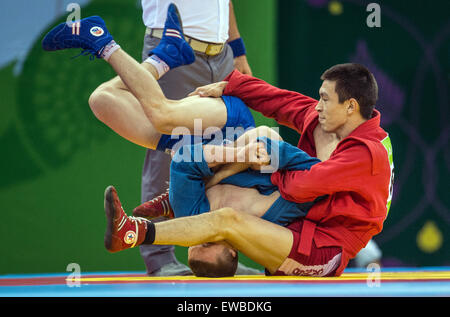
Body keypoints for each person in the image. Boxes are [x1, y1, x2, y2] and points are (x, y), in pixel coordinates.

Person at [42, 9, 393, 277]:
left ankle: (160, 55)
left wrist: (240, 162)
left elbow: (301, 183)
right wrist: (234, 85)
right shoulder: (352, 141)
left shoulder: (204, 211)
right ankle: (110, 43)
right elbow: (278, 110)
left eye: (197, 238)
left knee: (103, 102)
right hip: (237, 140)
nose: (316, 105)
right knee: (255, 138)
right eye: (320, 98)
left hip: (215, 154)